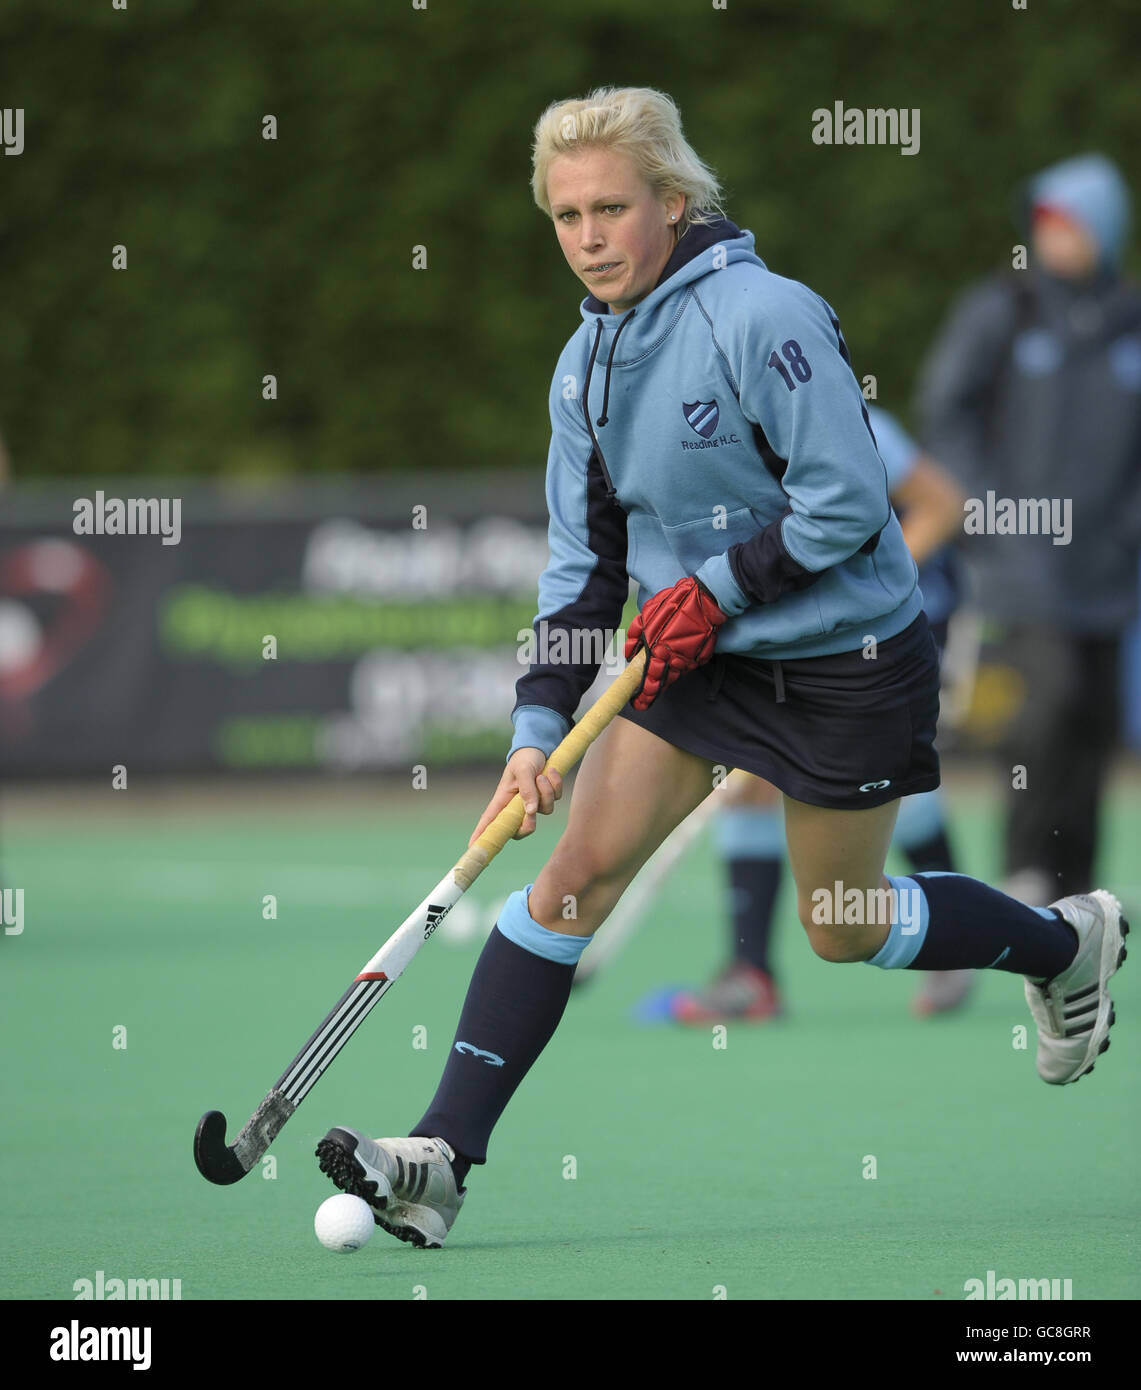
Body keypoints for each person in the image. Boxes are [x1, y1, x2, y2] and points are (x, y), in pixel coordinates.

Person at [315, 91, 1128, 1249]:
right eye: (564, 215)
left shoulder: (763, 317)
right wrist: (536, 730)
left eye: (610, 209)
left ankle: (1063, 943)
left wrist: (716, 590)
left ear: (673, 205)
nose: (588, 237)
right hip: (699, 661)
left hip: (848, 657)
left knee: (840, 926)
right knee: (569, 882)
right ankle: (442, 1156)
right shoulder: (582, 368)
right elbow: (583, 569)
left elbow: (848, 503)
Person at [666, 404, 974, 1025]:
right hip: (778, 640)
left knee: (887, 787)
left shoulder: (847, 422)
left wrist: (871, 580)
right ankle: (750, 973)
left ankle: (957, 945)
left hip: (881, 631)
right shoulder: (702, 438)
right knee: (751, 785)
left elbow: (942, 504)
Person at [916, 153, 1141, 910]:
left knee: (1092, 721)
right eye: (1044, 223)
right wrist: (981, 512)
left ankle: (1076, 888)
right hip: (1020, 563)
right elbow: (946, 414)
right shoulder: (1001, 310)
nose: (1054, 238)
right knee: (1043, 708)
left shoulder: (1130, 319)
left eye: (1069, 224)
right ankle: (1024, 870)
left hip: (1111, 568)